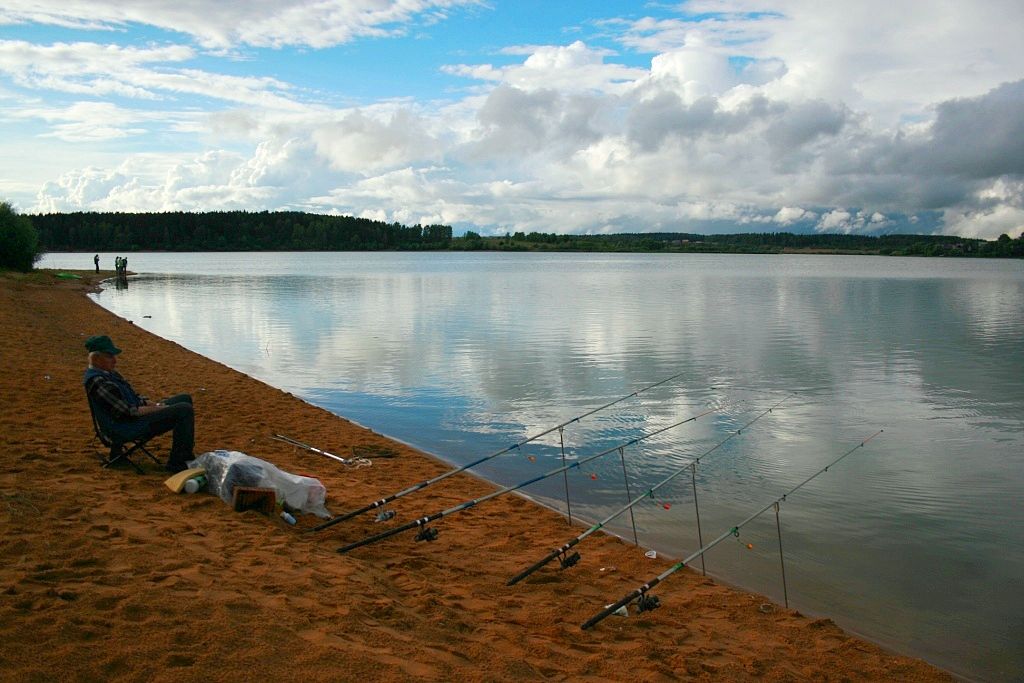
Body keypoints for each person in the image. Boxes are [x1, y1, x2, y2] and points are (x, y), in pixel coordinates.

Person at [83, 335, 195, 473]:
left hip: (130, 421)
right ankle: (178, 462)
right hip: (126, 428)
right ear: (96, 359)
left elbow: (131, 397)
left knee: (184, 399)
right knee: (184, 410)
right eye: (109, 356)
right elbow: (128, 412)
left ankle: (182, 456)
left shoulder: (109, 374)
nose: (114, 360)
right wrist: (156, 409)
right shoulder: (99, 382)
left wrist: (149, 403)